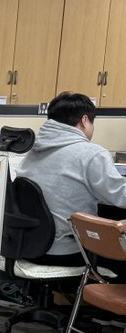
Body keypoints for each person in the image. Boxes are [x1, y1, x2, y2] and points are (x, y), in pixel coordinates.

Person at [14, 91, 126, 264]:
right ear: (85, 120)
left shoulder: (33, 150)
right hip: (68, 251)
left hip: (27, 247)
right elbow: (121, 195)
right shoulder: (92, 154)